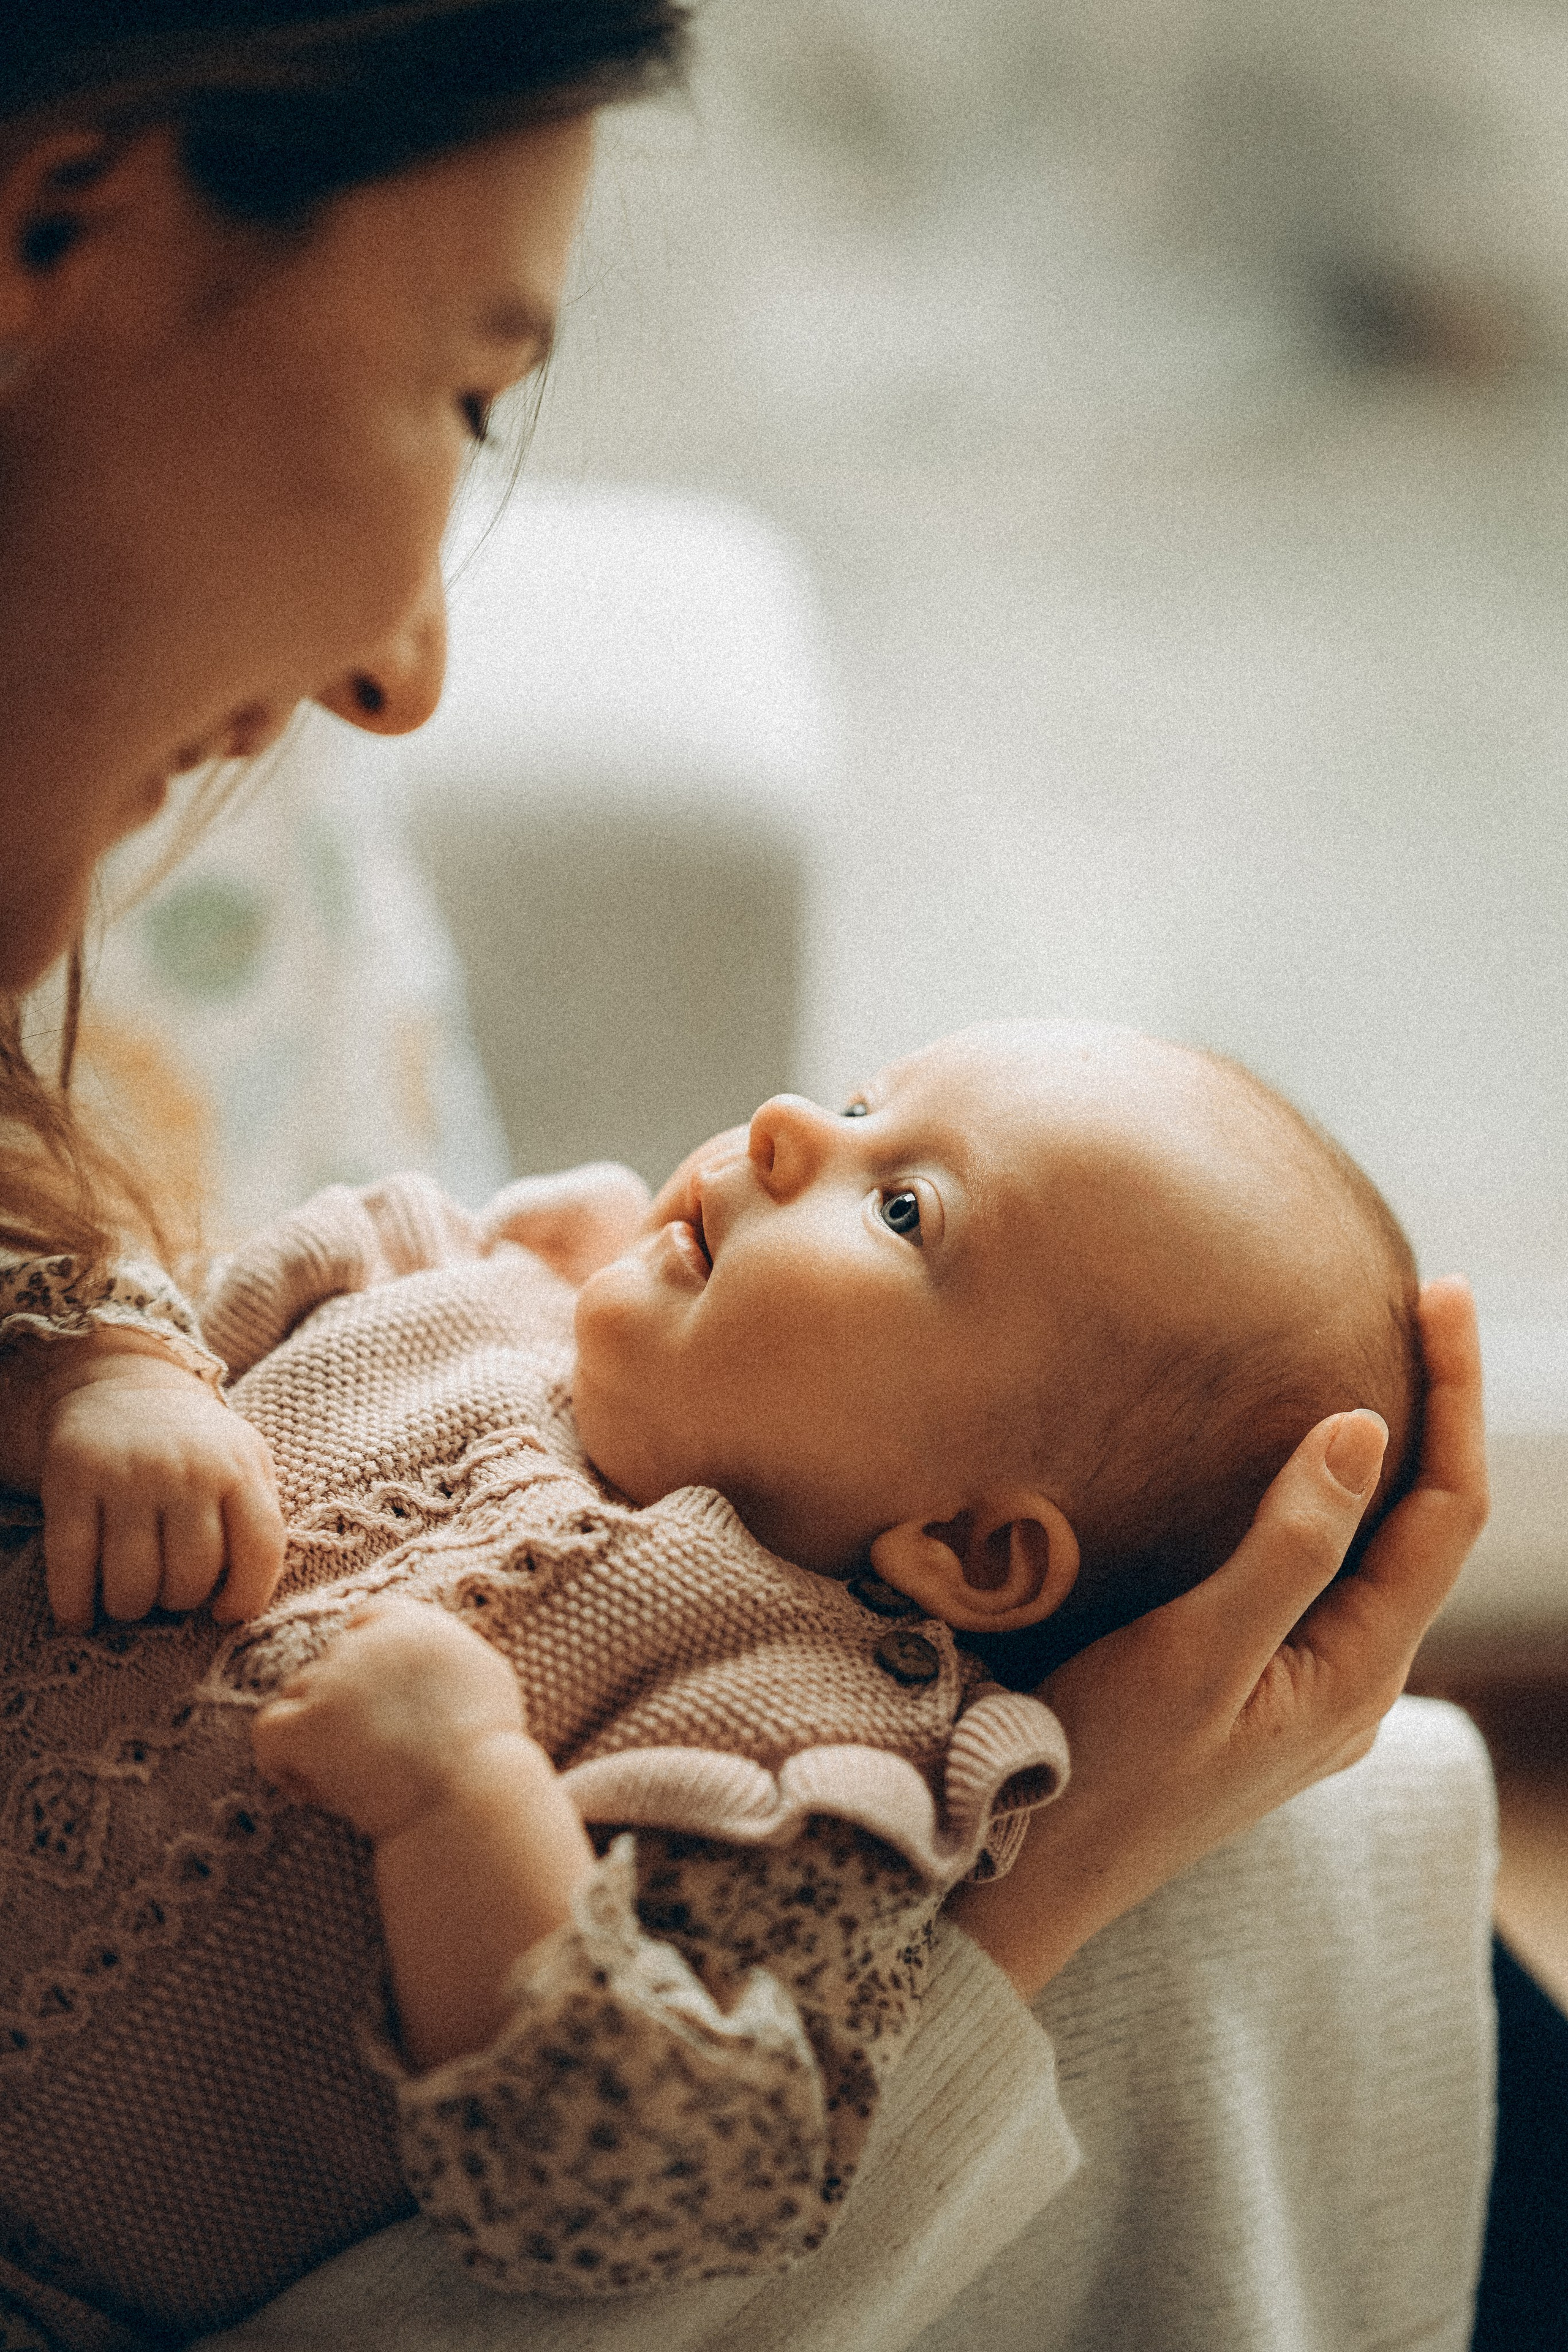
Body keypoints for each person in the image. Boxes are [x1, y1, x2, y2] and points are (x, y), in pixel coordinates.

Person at [0, 7, 1490, 2349]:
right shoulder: (459, 1292)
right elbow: (208, 1314)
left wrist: (478, 1805)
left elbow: (655, 2170)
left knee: (1369, 1821)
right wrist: (111, 1369)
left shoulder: (811, 1761)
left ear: (976, 1555)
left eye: (904, 1207)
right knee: (1345, 1860)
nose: (401, 679)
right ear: (49, 221)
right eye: (468, 389)